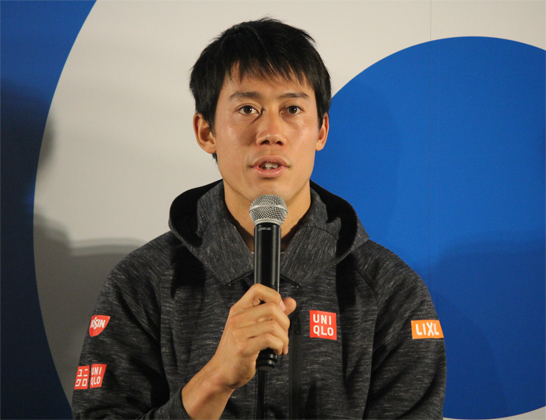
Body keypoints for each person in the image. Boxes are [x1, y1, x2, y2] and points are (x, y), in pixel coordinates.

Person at [72, 18, 446, 419]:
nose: (270, 132)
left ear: (321, 130)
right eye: (247, 109)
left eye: (292, 109)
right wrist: (214, 380)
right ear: (206, 132)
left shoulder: (389, 290)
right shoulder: (143, 281)